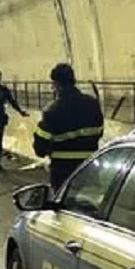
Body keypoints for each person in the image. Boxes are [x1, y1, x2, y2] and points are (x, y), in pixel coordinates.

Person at [33, 63, 104, 191]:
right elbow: (99, 132)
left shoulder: (52, 111)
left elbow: (40, 148)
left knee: (63, 207)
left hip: (63, 172)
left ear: (57, 85)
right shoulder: (92, 104)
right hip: (89, 168)